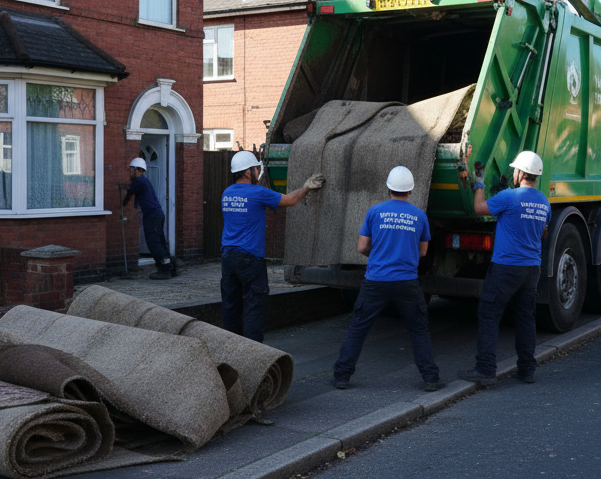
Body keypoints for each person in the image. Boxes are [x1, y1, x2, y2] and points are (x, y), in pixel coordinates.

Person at [331, 166, 442, 392]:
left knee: (358, 328)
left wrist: (381, 254)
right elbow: (422, 252)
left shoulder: (375, 211)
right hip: (407, 282)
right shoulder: (420, 216)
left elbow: (362, 247)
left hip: (375, 281)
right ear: (410, 190)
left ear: (389, 188)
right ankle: (431, 378)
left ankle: (342, 376)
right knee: (418, 330)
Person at [459, 150, 552, 386]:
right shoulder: (544, 202)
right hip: (532, 269)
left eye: (514, 170)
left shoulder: (510, 197)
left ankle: (486, 370)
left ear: (520, 173)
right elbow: (543, 232)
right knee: (525, 319)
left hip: (506, 267)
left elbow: (480, 208)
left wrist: (479, 182)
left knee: (490, 314)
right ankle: (527, 370)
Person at [221, 150, 324, 342]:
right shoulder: (257, 192)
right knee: (254, 305)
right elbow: (290, 200)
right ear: (247, 172)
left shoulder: (227, 193)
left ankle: (230, 347)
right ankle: (253, 352)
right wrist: (306, 187)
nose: (258, 172)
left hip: (228, 257)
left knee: (231, 305)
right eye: (256, 169)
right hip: (250, 259)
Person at [122, 157, 175, 280]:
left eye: (131, 170)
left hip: (152, 216)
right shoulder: (143, 181)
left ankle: (164, 270)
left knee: (154, 242)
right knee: (160, 241)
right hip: (157, 214)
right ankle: (170, 267)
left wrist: (122, 203)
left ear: (137, 170)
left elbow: (128, 196)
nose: (130, 173)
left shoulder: (139, 181)